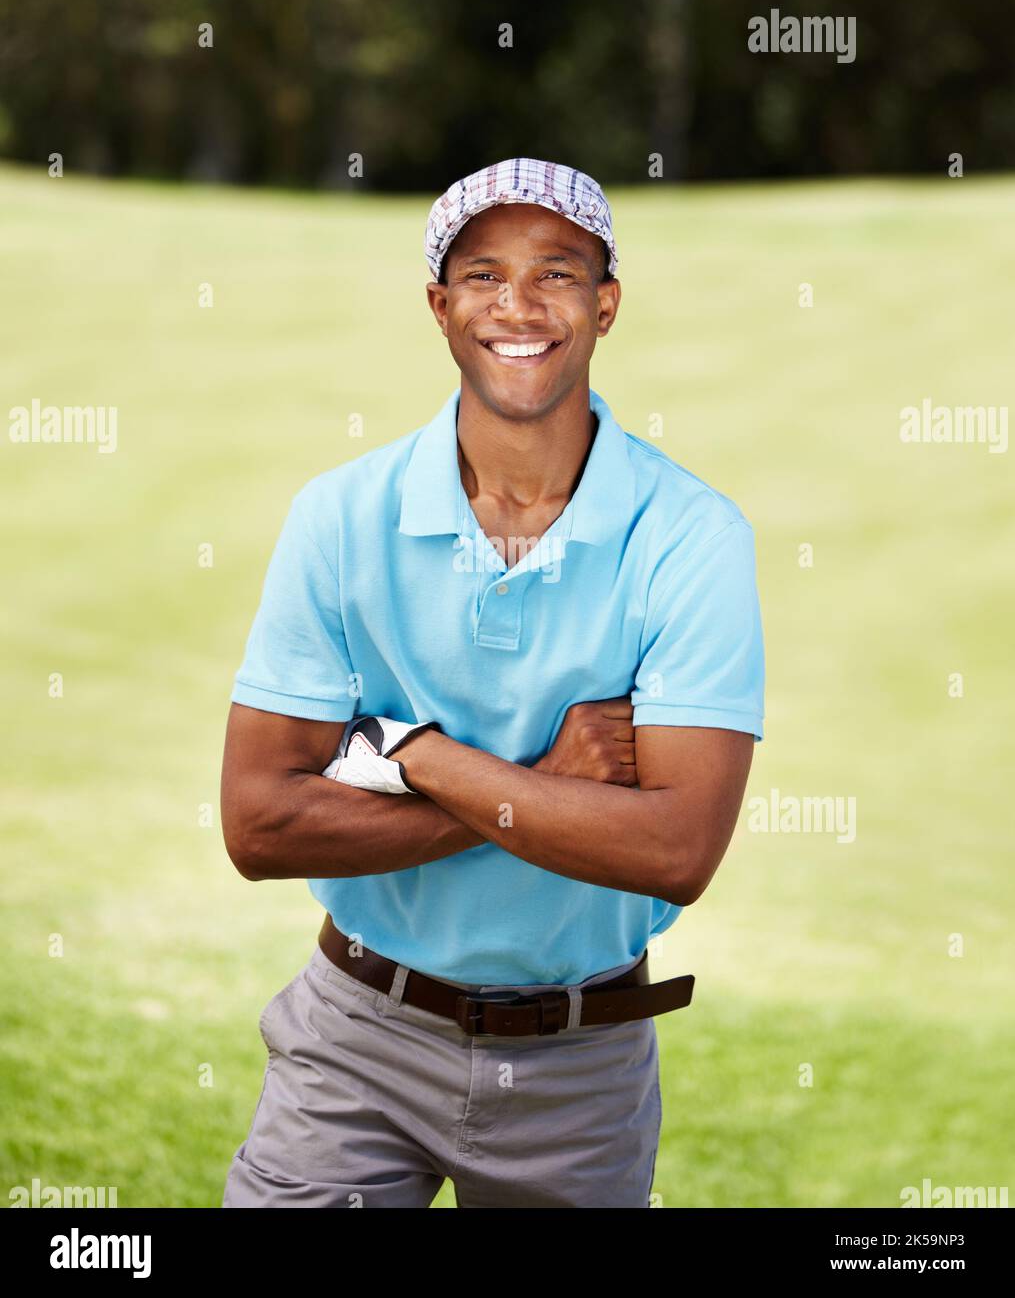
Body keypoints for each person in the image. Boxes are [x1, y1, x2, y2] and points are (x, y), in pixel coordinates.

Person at [220, 157, 765, 1208]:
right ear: (439, 306)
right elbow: (257, 828)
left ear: (604, 305)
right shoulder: (337, 515)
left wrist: (407, 754)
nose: (518, 305)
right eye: (482, 274)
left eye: (557, 273)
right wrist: (540, 781)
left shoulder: (692, 535)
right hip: (358, 1035)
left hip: (581, 1064)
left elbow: (677, 848)